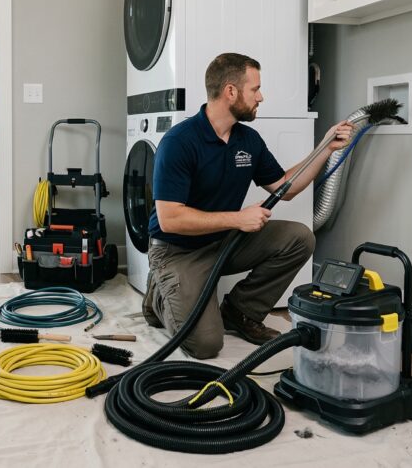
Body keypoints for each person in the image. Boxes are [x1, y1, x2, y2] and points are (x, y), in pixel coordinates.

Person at [142, 52, 353, 359]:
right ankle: (158, 297)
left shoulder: (248, 141)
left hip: (223, 241)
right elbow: (170, 219)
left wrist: (325, 148)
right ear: (231, 91)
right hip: (178, 251)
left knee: (299, 238)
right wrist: (238, 219)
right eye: (255, 89)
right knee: (205, 345)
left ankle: (240, 312)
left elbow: (285, 187)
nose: (260, 97)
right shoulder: (180, 142)